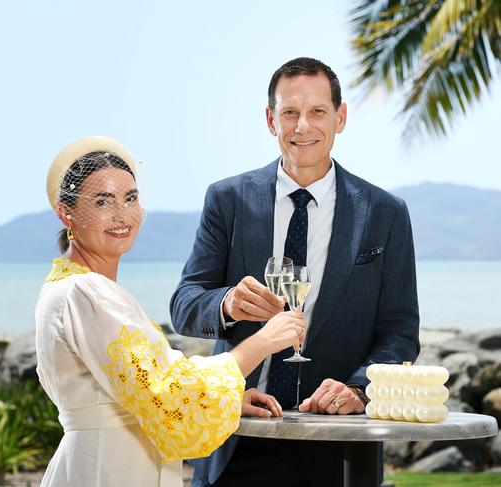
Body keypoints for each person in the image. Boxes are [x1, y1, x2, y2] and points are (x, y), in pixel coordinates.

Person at [170, 57, 420, 486]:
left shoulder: (385, 213)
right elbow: (185, 304)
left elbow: (399, 332)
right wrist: (226, 304)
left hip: (338, 446)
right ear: (271, 120)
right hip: (237, 435)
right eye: (290, 113)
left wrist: (359, 391)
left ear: (340, 117)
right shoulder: (227, 200)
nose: (302, 126)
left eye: (317, 111)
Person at [35, 135, 309, 487]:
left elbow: (145, 381)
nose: (122, 215)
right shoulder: (86, 292)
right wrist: (263, 342)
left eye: (130, 198)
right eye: (103, 202)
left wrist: (226, 399)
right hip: (110, 470)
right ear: (66, 212)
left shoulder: (67, 285)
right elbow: (170, 393)